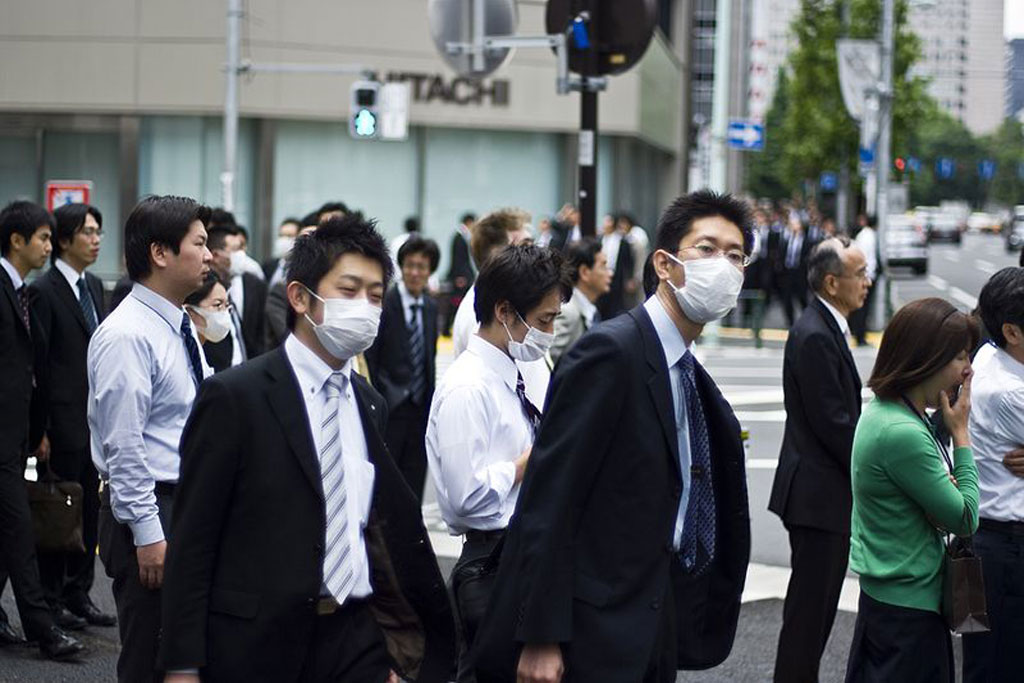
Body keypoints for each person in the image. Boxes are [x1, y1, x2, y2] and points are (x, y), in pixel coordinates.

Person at [158, 213, 456, 682]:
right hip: (257, 642)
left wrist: (391, 652)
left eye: (375, 296)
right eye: (349, 290)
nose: (364, 307)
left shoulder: (369, 404)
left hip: (356, 638)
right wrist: (181, 665)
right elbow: (194, 542)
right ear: (300, 296)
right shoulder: (238, 397)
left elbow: (375, 530)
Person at [472, 190, 753, 683]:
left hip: (654, 617)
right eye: (707, 250)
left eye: (736, 256)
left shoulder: (687, 369)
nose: (724, 266)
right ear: (664, 264)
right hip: (590, 628)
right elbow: (550, 498)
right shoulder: (610, 352)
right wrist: (540, 634)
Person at [427, 243, 571, 682]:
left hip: (531, 554)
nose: (548, 331)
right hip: (494, 561)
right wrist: (529, 463)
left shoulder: (524, 369)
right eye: (543, 320)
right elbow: (464, 501)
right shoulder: (467, 389)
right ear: (505, 311)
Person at [89, 195, 213, 682]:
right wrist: (148, 534)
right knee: (148, 657)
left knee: (183, 655)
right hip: (152, 511)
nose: (209, 256)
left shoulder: (179, 321)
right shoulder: (127, 334)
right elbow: (125, 446)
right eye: (199, 244)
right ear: (160, 253)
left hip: (184, 504)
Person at [845, 298, 979, 683]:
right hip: (908, 611)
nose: (968, 369)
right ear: (927, 359)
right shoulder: (901, 431)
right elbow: (966, 516)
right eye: (959, 358)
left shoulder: (889, 411)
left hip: (889, 600)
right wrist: (961, 434)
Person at [768, 236, 869, 683]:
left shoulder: (825, 327)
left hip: (820, 495)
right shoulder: (814, 335)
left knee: (815, 611)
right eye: (860, 274)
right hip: (817, 498)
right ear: (832, 282)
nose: (867, 282)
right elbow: (836, 425)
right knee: (809, 617)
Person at [0, 200, 84, 660]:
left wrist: (35, 431)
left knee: (8, 531)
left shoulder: (19, 289)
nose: (49, 247)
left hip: (15, 437)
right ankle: (43, 630)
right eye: (44, 238)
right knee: (18, 530)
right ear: (17, 241)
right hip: (2, 440)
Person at [29, 202, 117, 629]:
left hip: (93, 418)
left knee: (88, 508)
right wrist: (41, 428)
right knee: (57, 511)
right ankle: (50, 597)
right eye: (88, 232)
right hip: (60, 422)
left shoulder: (95, 287)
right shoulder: (43, 292)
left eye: (98, 231)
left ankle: (78, 593)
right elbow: (40, 365)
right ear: (64, 240)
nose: (96, 239)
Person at [961, 267, 1024, 682]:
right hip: (1006, 552)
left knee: (986, 661)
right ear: (1012, 331)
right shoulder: (1008, 392)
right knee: (1000, 667)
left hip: (986, 544)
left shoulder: (989, 353)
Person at [365, 235, 441, 502]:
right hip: (391, 404)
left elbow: (428, 357)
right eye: (409, 265)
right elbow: (371, 358)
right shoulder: (385, 303)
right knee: (386, 478)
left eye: (421, 266)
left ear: (430, 271)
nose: (415, 272)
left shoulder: (432, 307)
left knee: (414, 478)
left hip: (420, 407)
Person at [451, 209, 548, 407]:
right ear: (498, 256)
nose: (535, 255)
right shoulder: (480, 311)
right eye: (525, 247)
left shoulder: (506, 301)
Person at [207, 224, 267, 361]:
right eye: (235, 250)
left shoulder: (255, 282)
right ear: (215, 255)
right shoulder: (201, 290)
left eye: (242, 248)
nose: (241, 255)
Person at [550, 238, 611, 364]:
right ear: (584, 272)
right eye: (603, 266)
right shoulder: (568, 312)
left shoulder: (590, 310)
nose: (610, 273)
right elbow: (548, 361)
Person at [184, 271, 235, 373]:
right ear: (190, 311)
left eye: (226, 306)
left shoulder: (216, 349)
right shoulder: (179, 352)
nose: (224, 313)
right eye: (217, 305)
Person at [595, 213, 635, 321]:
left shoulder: (622, 241)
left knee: (615, 304)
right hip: (601, 274)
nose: (605, 224)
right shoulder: (599, 239)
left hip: (617, 276)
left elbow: (629, 261)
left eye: (608, 221)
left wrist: (629, 278)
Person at [445, 212, 477, 336]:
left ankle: (449, 327)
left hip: (463, 274)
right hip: (461, 276)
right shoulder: (459, 237)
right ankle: (447, 327)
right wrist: (459, 276)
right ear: (469, 222)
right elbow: (458, 258)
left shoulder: (464, 236)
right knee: (456, 302)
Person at [850, 214, 878, 346]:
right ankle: (860, 335)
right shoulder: (869, 236)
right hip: (867, 275)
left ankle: (859, 333)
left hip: (863, 275)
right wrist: (868, 277)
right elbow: (868, 258)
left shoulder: (862, 235)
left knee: (861, 306)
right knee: (864, 307)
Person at [780, 216, 811, 326]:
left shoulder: (806, 241)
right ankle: (790, 321)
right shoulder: (788, 239)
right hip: (788, 272)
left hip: (800, 272)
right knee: (787, 298)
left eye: (795, 224)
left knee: (802, 298)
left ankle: (806, 320)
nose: (793, 226)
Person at [263, 216, 300, 283]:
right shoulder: (268, 267)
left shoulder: (302, 268)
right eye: (281, 235)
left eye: (289, 236)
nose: (284, 240)